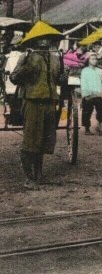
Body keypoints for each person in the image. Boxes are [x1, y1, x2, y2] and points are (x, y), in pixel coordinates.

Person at [12, 34, 64, 190]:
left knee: (43, 141)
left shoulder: (55, 59)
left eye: (47, 40)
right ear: (35, 41)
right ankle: (29, 178)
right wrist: (24, 70)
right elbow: (14, 78)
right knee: (30, 142)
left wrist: (63, 78)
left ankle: (39, 175)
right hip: (32, 103)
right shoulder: (27, 56)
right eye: (40, 40)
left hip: (49, 103)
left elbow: (58, 79)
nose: (44, 42)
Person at [80, 53, 102, 135]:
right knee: (87, 112)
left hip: (97, 94)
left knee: (101, 112)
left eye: (96, 59)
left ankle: (99, 128)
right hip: (88, 94)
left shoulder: (98, 71)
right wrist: (85, 94)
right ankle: (87, 129)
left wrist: (100, 92)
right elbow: (83, 83)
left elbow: (100, 82)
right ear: (88, 61)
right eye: (92, 59)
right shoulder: (85, 71)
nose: (95, 60)